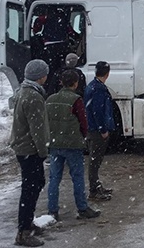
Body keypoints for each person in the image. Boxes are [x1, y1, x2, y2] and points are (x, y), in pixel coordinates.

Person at [46, 70, 101, 220]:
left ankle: (52, 211)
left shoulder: (50, 99)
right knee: (77, 177)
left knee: (54, 178)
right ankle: (82, 208)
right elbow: (84, 123)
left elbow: (45, 121)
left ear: (61, 82)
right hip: (73, 145)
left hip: (54, 144)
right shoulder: (76, 100)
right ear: (76, 83)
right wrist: (82, 137)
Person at [9, 59, 50, 247]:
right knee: (30, 189)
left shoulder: (22, 92)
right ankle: (23, 232)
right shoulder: (33, 97)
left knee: (34, 184)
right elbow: (38, 129)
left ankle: (28, 223)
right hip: (29, 149)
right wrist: (43, 151)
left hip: (22, 147)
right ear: (40, 76)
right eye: (45, 73)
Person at [84, 61, 115, 200]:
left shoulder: (92, 86)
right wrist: (103, 129)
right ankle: (94, 190)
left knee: (95, 160)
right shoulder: (99, 89)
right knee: (95, 161)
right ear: (108, 74)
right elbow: (98, 111)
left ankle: (95, 186)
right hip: (96, 130)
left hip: (92, 128)